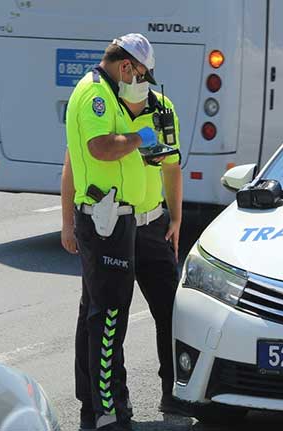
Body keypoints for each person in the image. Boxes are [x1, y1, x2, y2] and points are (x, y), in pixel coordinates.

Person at [62, 35, 185, 420]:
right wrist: (67, 222)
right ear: (128, 67)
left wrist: (176, 217)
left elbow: (171, 165)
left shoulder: (160, 106)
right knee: (107, 316)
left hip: (152, 223)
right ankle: (105, 406)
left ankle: (175, 390)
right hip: (108, 223)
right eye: (143, 73)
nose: (146, 81)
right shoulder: (93, 95)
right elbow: (93, 151)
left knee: (172, 311)